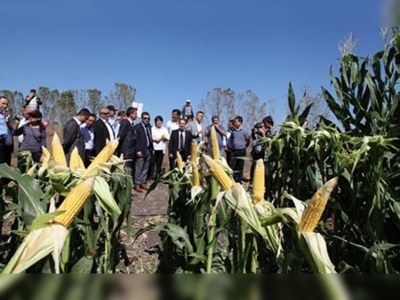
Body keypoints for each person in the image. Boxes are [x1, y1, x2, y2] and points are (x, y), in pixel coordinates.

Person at [132, 112, 153, 193]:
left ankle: (142, 183)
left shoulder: (149, 127)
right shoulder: (137, 127)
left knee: (145, 168)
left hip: (148, 149)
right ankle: (136, 184)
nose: (146, 120)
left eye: (148, 118)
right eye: (145, 118)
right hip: (141, 150)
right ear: (141, 118)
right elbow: (135, 140)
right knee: (139, 168)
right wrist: (137, 150)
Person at [227, 116, 250, 183]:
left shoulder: (244, 131)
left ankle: (239, 179)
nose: (235, 123)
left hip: (241, 150)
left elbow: (248, 140)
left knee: (240, 165)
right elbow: (231, 140)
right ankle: (232, 179)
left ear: (240, 122)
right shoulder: (233, 132)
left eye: (236, 122)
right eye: (234, 122)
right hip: (234, 151)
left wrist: (244, 146)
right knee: (232, 165)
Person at [116, 107, 138, 172]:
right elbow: (120, 136)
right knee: (125, 169)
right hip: (126, 151)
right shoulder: (125, 123)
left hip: (131, 151)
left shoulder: (132, 124)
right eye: (135, 114)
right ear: (131, 114)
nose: (136, 115)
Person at [150, 115, 169, 180]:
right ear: (155, 122)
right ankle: (151, 176)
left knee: (159, 163)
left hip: (161, 148)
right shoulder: (152, 129)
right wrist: (155, 140)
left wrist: (164, 138)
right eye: (157, 121)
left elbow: (168, 137)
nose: (159, 123)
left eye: (160, 121)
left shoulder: (164, 129)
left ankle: (157, 177)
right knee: (152, 163)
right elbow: (150, 138)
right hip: (154, 148)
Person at [0, 96, 9, 164]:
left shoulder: (2, 115)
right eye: (3, 103)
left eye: (6, 104)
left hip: (3, 142)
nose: (5, 106)